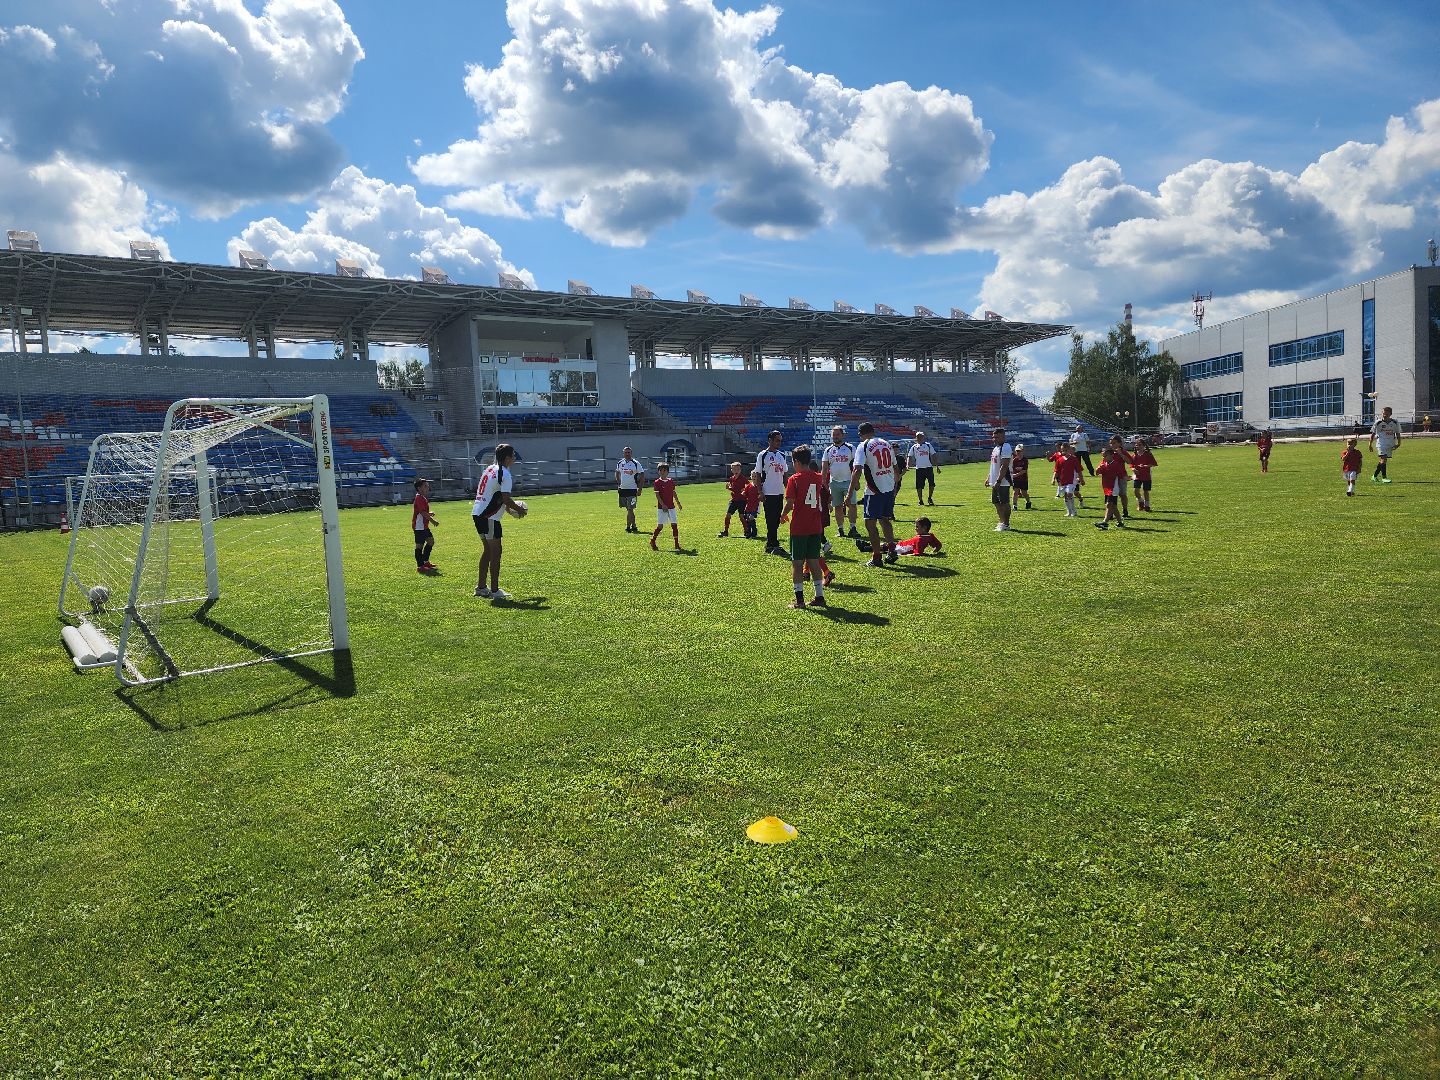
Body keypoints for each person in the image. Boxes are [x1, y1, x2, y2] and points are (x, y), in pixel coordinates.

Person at [473, 443, 526, 600]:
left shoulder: (489, 469)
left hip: (477, 513)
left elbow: (494, 494)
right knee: (496, 552)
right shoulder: (506, 474)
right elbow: (505, 498)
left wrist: (509, 510)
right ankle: (495, 591)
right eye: (514, 455)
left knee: (488, 551)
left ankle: (481, 587)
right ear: (508, 458)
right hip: (489, 517)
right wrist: (519, 509)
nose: (515, 458)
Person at [782, 445, 828, 609]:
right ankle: (819, 597)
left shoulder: (793, 479)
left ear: (796, 462)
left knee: (797, 563)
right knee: (814, 562)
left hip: (800, 526)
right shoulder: (818, 477)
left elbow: (790, 503)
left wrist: (782, 514)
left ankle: (799, 600)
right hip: (815, 525)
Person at [848, 421, 899, 567]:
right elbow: (895, 467)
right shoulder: (886, 443)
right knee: (885, 520)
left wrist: (850, 493)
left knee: (870, 523)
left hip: (874, 490)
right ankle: (891, 550)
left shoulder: (863, 446)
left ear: (861, 434)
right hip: (888, 488)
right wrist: (894, 486)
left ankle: (876, 557)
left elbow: (857, 470)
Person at [755, 430, 789, 556]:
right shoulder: (762, 455)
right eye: (777, 440)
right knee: (770, 519)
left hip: (779, 491)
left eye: (780, 440)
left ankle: (772, 543)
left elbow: (785, 474)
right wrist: (760, 491)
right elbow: (758, 474)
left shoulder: (782, 455)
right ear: (770, 440)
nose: (779, 442)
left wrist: (788, 490)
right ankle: (771, 544)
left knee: (776, 519)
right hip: (768, 492)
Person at [821, 426, 859, 539]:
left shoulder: (851, 448)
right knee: (837, 506)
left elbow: (857, 466)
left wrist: (856, 481)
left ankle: (853, 528)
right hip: (834, 483)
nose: (835, 436)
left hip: (849, 481)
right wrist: (823, 484)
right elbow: (824, 468)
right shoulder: (828, 450)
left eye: (837, 434)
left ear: (842, 435)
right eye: (833, 434)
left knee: (852, 505)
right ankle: (840, 529)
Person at [982, 427, 1013, 532]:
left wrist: (999, 480)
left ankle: (1006, 524)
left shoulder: (1006, 447)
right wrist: (989, 478)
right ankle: (1001, 522)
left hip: (1003, 481)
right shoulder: (995, 448)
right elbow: (993, 465)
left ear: (1003, 436)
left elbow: (1004, 465)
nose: (994, 439)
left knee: (1004, 502)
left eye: (997, 437)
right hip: (995, 481)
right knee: (996, 502)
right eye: (993, 437)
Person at [648, 462, 683, 550]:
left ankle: (676, 544)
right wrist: (663, 505)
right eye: (660, 470)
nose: (662, 472)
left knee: (674, 525)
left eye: (664, 470)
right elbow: (657, 496)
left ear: (667, 471)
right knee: (660, 526)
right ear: (658, 471)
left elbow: (673, 492)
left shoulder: (671, 481)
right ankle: (653, 540)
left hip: (671, 507)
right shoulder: (657, 482)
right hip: (662, 508)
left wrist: (678, 503)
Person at [1093, 446, 1129, 530]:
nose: (1104, 458)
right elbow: (1097, 473)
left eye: (1105, 456)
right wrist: (1097, 469)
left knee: (1109, 504)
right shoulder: (1103, 464)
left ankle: (1105, 522)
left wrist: (1127, 478)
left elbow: (1121, 476)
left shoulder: (1116, 464)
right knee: (1113, 506)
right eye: (1103, 456)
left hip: (1113, 488)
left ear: (1111, 455)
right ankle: (1120, 522)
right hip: (1106, 488)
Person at [411, 477, 439, 574]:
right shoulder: (419, 498)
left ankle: (425, 562)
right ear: (419, 488)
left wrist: (429, 513)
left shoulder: (422, 497)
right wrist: (433, 521)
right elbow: (422, 513)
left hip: (424, 526)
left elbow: (422, 511)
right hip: (419, 527)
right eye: (425, 486)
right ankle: (420, 566)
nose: (427, 488)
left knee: (430, 541)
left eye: (427, 486)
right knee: (419, 546)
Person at [616, 447, 645, 532]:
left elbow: (642, 475)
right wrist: (619, 483)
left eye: (628, 452)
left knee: (630, 509)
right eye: (625, 452)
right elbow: (617, 472)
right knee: (628, 509)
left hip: (632, 490)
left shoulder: (635, 463)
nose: (627, 454)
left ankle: (628, 527)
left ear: (631, 453)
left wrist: (639, 489)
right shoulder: (620, 463)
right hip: (623, 490)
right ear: (623, 453)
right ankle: (634, 526)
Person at [1369, 406, 1402, 483]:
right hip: (1381, 444)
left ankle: (1374, 476)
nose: (1384, 415)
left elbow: (1398, 433)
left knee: (1383, 461)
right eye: (1383, 413)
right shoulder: (1378, 422)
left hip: (1390, 444)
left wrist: (1399, 443)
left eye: (1387, 413)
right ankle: (1384, 478)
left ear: (1390, 414)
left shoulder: (1395, 422)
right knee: (1383, 459)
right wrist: (1370, 444)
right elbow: (1373, 434)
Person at [908, 431, 939, 506]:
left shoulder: (928, 445)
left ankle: (929, 498)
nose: (919, 438)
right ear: (916, 438)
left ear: (923, 437)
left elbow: (934, 455)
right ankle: (920, 500)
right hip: (919, 469)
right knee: (919, 486)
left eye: (920, 436)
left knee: (931, 484)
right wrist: (907, 464)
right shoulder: (914, 447)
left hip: (929, 468)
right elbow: (909, 456)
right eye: (918, 437)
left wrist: (937, 466)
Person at [718, 461, 747, 537]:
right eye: (734, 469)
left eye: (737, 469)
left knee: (741, 516)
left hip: (742, 500)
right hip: (733, 500)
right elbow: (734, 488)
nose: (736, 471)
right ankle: (725, 531)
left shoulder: (743, 479)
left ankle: (746, 531)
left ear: (740, 470)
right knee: (728, 515)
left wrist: (745, 490)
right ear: (731, 470)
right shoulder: (731, 479)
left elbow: (748, 487)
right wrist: (729, 488)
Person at [1129, 437, 1158, 511]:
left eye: (1140, 445)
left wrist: (1145, 466)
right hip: (1137, 476)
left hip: (1146, 475)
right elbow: (1131, 464)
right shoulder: (1134, 455)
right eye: (1136, 445)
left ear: (1144, 446)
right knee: (1136, 491)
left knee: (1146, 491)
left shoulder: (1148, 454)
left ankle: (1147, 505)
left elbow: (1153, 464)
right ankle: (1141, 502)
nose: (1137, 446)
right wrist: (1133, 469)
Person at [1053, 443, 1081, 517]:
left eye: (1065, 450)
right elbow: (1056, 470)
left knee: (1069, 494)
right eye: (1062, 450)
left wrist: (1081, 479)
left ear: (1069, 450)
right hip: (1063, 480)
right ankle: (1069, 511)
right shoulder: (1060, 460)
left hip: (1072, 480)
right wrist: (1053, 479)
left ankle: (1074, 510)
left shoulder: (1074, 459)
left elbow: (1079, 470)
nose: (1064, 452)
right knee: (1066, 496)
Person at [1108, 435, 1132, 518]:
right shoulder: (1109, 453)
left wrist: (1120, 454)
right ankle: (1111, 512)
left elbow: (1129, 461)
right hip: (1111, 477)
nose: (1112, 445)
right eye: (1111, 443)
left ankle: (1125, 510)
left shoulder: (1123, 451)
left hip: (1121, 476)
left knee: (1122, 494)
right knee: (1111, 495)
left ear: (1119, 443)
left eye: (1114, 443)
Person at [1010, 444, 1031, 511]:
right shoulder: (1014, 460)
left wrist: (1015, 475)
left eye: (1019, 451)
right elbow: (1011, 469)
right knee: (1015, 492)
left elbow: (1024, 471)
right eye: (1017, 451)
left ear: (1022, 451)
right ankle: (1014, 505)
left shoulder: (1025, 460)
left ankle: (1028, 501)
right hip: (1016, 480)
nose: (1018, 452)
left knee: (1024, 493)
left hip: (1023, 479)